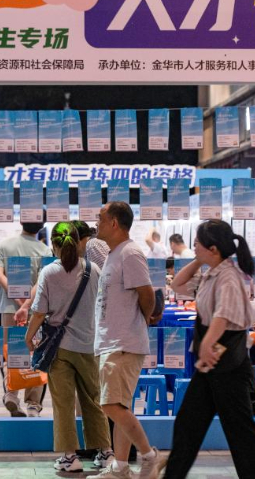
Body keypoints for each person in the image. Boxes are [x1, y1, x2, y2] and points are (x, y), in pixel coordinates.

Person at [165, 219, 255, 479]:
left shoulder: (229, 276)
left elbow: (222, 317)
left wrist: (205, 347)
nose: (193, 247)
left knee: (240, 432)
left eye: (198, 244)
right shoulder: (211, 273)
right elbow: (177, 285)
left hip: (228, 364)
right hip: (214, 363)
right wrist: (199, 260)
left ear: (213, 248)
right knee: (188, 424)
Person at [25, 222, 114, 473]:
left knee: (63, 403)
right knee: (93, 400)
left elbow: (40, 311)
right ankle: (106, 452)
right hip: (89, 345)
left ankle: (69, 457)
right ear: (78, 242)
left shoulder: (50, 272)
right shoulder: (93, 269)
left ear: (54, 244)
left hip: (59, 348)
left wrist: (29, 336)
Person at [88, 202, 159, 479]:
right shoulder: (115, 255)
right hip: (112, 341)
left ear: (114, 223)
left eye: (101, 218)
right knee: (119, 406)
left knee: (110, 405)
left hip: (123, 343)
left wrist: (137, 321)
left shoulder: (130, 254)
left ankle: (150, 456)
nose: (97, 223)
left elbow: (147, 295)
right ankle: (120, 467)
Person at [0, 220, 51, 417]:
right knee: (36, 355)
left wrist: (16, 296)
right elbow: (42, 282)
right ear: (42, 225)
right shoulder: (45, 250)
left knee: (11, 353)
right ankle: (33, 404)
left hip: (9, 309)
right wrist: (26, 303)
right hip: (35, 310)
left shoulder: (4, 245)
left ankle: (11, 394)